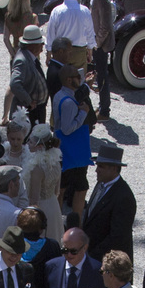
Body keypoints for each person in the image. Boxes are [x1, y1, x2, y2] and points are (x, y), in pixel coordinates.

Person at [82, 143, 136, 260]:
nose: (96, 170)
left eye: (101, 166)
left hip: (108, 262)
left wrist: (92, 255)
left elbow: (118, 237)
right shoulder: (101, 184)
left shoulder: (123, 197)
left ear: (114, 169)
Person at [51, 65, 92, 218]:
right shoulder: (68, 102)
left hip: (64, 150)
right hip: (71, 152)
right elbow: (67, 129)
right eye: (77, 76)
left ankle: (58, 221)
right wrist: (83, 113)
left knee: (61, 188)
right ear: (69, 80)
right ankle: (76, 223)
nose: (80, 78)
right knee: (80, 188)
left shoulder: (59, 95)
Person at [6, 23, 48, 120]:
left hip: (36, 110)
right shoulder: (22, 60)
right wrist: (28, 101)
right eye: (40, 43)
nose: (42, 46)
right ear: (32, 46)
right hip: (28, 112)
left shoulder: (30, 56)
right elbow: (15, 84)